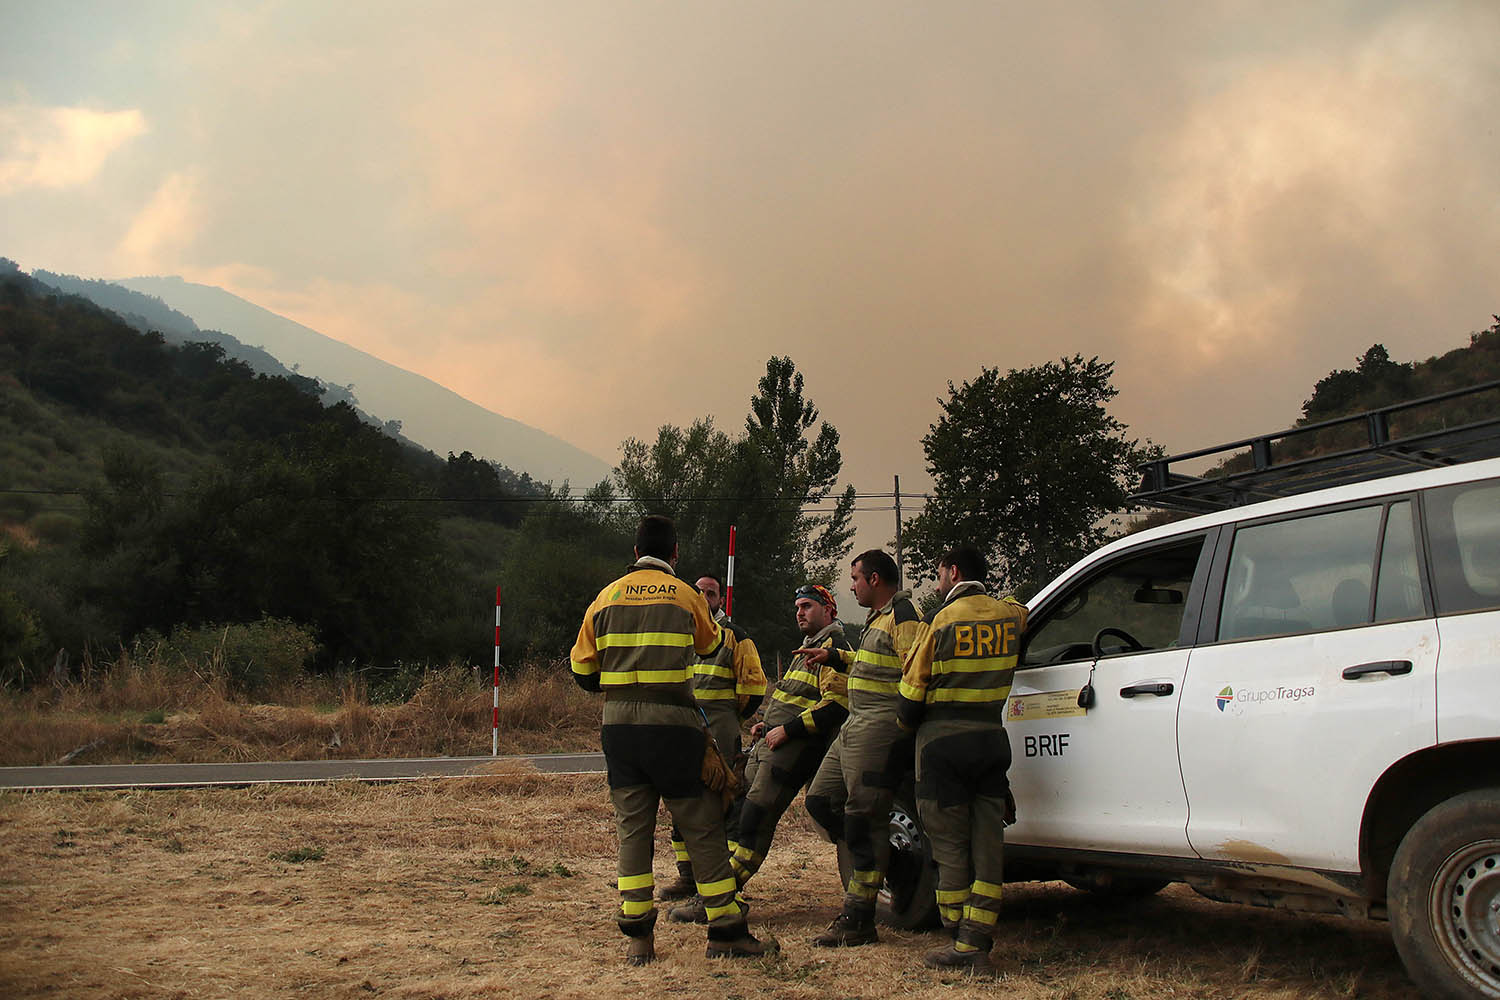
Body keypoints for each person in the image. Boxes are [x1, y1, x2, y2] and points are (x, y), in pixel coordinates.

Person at [569, 514, 773, 964]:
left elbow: (582, 672)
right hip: (675, 726)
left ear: (634, 551)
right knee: (702, 826)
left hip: (619, 728)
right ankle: (727, 932)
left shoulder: (604, 598)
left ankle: (639, 940)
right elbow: (709, 646)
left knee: (633, 831)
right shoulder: (685, 595)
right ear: (675, 554)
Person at [898, 545, 1027, 973]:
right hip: (992, 740)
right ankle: (978, 936)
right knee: (988, 842)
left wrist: (904, 728)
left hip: (943, 744)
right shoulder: (1008, 616)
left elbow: (910, 697)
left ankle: (958, 937)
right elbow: (1023, 610)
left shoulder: (939, 622)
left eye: (939, 575)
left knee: (949, 843)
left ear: (953, 573)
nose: (937, 584)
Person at [800, 549, 923, 947]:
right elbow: (874, 664)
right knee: (819, 801)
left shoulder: (904, 616)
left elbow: (916, 672)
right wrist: (834, 656)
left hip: (878, 730)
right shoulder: (879, 618)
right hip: (855, 726)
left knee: (863, 821)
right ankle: (890, 860)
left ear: (874, 579)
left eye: (855, 578)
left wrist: (902, 732)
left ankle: (859, 916)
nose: (851, 586)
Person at [728, 583, 852, 893]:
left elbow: (836, 705)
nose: (799, 613)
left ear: (829, 610)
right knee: (737, 808)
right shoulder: (808, 646)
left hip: (794, 746)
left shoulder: (834, 647)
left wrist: (788, 730)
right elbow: (794, 695)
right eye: (797, 607)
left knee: (756, 815)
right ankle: (716, 883)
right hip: (769, 740)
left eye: (807, 606)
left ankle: (723, 894)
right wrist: (766, 723)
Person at [660, 572, 767, 905]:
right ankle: (686, 877)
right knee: (681, 799)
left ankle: (725, 878)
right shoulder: (680, 631)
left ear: (721, 599)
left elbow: (753, 689)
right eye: (699, 592)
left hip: (720, 724)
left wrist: (730, 721)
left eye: (711, 593)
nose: (704, 598)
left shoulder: (736, 636)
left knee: (723, 803)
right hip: (682, 724)